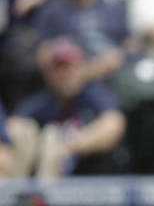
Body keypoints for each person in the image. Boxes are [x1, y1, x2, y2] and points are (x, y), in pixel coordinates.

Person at [6, 38, 126, 178]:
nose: (65, 74)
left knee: (53, 141)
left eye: (71, 67)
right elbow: (13, 126)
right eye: (59, 68)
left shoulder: (94, 93)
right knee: (39, 136)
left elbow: (114, 125)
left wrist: (70, 144)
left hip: (93, 178)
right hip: (50, 179)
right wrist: (36, 144)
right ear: (49, 74)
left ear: (82, 68)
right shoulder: (44, 100)